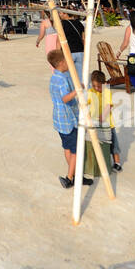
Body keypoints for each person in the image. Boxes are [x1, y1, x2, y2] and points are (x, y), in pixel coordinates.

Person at [49, 50, 92, 188]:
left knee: (68, 148)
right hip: (67, 119)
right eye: (68, 61)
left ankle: (76, 175)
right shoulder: (61, 79)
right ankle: (69, 178)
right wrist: (77, 90)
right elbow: (65, 98)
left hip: (60, 119)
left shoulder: (55, 76)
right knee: (76, 149)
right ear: (62, 63)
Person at [87, 70, 122, 171]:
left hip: (108, 125)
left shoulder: (106, 91)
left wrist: (102, 117)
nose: (97, 88)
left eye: (99, 86)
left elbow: (108, 105)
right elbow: (85, 103)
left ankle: (117, 163)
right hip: (95, 125)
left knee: (114, 145)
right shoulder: (91, 92)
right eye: (94, 86)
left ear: (104, 84)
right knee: (99, 145)